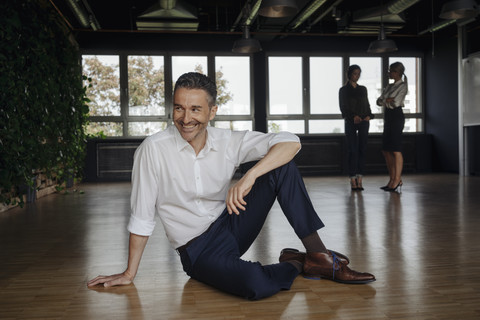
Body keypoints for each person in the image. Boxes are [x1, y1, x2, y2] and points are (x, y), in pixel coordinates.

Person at [87, 72, 375, 300]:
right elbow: (142, 215)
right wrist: (129, 272)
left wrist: (249, 176)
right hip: (197, 250)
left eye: (196, 109)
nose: (186, 119)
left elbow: (290, 141)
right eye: (179, 108)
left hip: (232, 223)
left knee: (281, 167)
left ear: (212, 112)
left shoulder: (227, 141)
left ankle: (318, 255)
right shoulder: (153, 149)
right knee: (255, 284)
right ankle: (299, 264)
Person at [339, 65, 374, 191]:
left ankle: (360, 179)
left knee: (362, 150)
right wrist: (353, 116)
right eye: (355, 73)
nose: (357, 76)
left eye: (359, 73)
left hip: (364, 121)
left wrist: (369, 115)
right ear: (349, 74)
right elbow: (343, 107)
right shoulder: (343, 90)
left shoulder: (363, 89)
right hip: (350, 122)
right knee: (352, 150)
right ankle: (352, 179)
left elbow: (367, 104)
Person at [376, 62, 408, 192]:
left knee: (395, 149)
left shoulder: (403, 86)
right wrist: (386, 100)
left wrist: (386, 101)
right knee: (386, 150)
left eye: (391, 71)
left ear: (397, 72)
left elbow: (395, 103)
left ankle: (397, 179)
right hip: (388, 117)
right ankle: (393, 178)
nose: (389, 73)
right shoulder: (389, 86)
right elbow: (378, 101)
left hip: (396, 117)